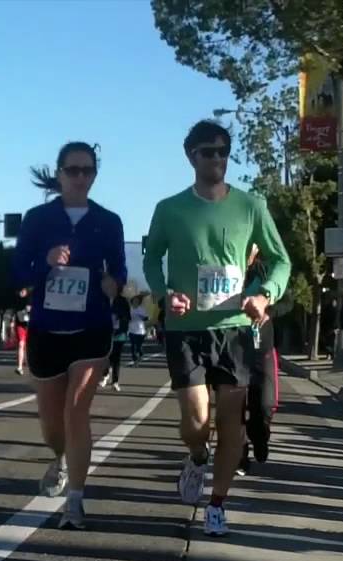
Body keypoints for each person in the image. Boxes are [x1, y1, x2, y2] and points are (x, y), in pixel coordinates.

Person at [143, 120, 291, 537]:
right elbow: (152, 258)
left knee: (231, 423)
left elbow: (281, 261)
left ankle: (218, 505)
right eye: (208, 151)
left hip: (235, 329)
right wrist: (164, 291)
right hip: (186, 328)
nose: (217, 158)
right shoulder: (169, 209)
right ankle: (195, 457)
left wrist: (264, 294)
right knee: (195, 419)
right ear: (191, 156)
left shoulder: (251, 205)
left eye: (223, 150)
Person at [12, 141, 126, 529]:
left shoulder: (108, 221)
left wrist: (114, 284)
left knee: (77, 410)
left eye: (87, 171)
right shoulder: (37, 219)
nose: (80, 178)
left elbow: (120, 271)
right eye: (73, 170)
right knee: (52, 424)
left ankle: (75, 500)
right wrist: (43, 264)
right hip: (46, 327)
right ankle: (58, 458)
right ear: (59, 174)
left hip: (91, 327)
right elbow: (17, 273)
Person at [241, 243, 280, 475]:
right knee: (234, 405)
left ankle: (260, 437)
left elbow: (288, 300)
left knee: (263, 404)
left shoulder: (265, 271)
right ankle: (239, 455)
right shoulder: (227, 271)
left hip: (262, 346)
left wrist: (267, 310)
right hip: (235, 345)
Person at [101, 293, 129, 392]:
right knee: (106, 356)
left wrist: (121, 329)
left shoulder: (122, 300)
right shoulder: (102, 297)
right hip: (105, 333)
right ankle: (104, 376)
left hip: (119, 333)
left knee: (116, 359)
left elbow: (127, 316)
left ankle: (115, 382)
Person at [14, 290, 31, 375]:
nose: (21, 292)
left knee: (29, 345)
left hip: (31, 324)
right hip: (20, 324)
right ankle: (19, 367)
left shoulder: (32, 296)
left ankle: (29, 363)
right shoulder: (16, 299)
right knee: (21, 344)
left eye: (23, 291)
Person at [128, 296, 148, 365]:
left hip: (141, 331)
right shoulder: (129, 309)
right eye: (134, 300)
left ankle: (141, 353)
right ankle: (135, 360)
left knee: (138, 347)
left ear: (139, 302)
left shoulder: (141, 309)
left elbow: (146, 318)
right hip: (131, 330)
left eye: (137, 301)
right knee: (133, 346)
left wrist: (141, 316)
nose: (135, 302)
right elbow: (126, 317)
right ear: (132, 301)